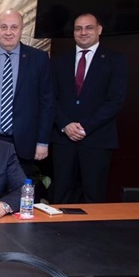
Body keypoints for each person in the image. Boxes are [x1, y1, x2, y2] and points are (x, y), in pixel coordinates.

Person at [50, 13, 127, 203]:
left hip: (97, 140)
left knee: (94, 197)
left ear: (99, 30)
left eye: (88, 28)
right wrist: (65, 124)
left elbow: (116, 100)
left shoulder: (115, 60)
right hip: (63, 141)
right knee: (60, 196)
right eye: (78, 29)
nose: (83, 32)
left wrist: (85, 126)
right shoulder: (59, 61)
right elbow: (50, 98)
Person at [0, 9, 54, 177]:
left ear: (22, 29)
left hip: (24, 143)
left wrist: (42, 142)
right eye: (4, 27)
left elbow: (47, 102)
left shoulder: (39, 58)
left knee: (20, 190)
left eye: (14, 27)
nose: (8, 32)